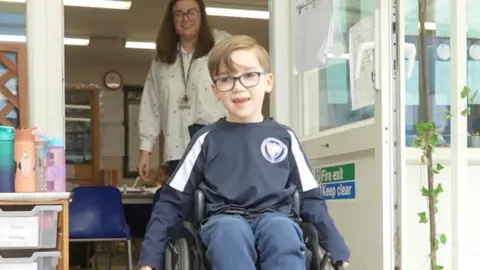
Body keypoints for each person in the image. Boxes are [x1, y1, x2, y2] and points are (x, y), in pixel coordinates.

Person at [138, 35, 350, 270]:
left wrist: (336, 247)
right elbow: (171, 201)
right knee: (230, 232)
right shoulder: (206, 140)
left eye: (249, 75)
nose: (238, 86)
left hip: (277, 217)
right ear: (216, 90)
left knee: (281, 231)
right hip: (223, 220)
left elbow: (311, 198)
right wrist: (150, 258)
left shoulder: (284, 138)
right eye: (226, 79)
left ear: (268, 82)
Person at [137, 0, 230, 179]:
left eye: (191, 12)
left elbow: (239, 87)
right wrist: (145, 149)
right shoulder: (162, 59)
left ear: (201, 15)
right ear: (171, 19)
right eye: (178, 14)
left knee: (215, 205)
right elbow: (151, 103)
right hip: (177, 151)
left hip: (217, 148)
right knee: (182, 206)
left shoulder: (222, 45)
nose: (185, 19)